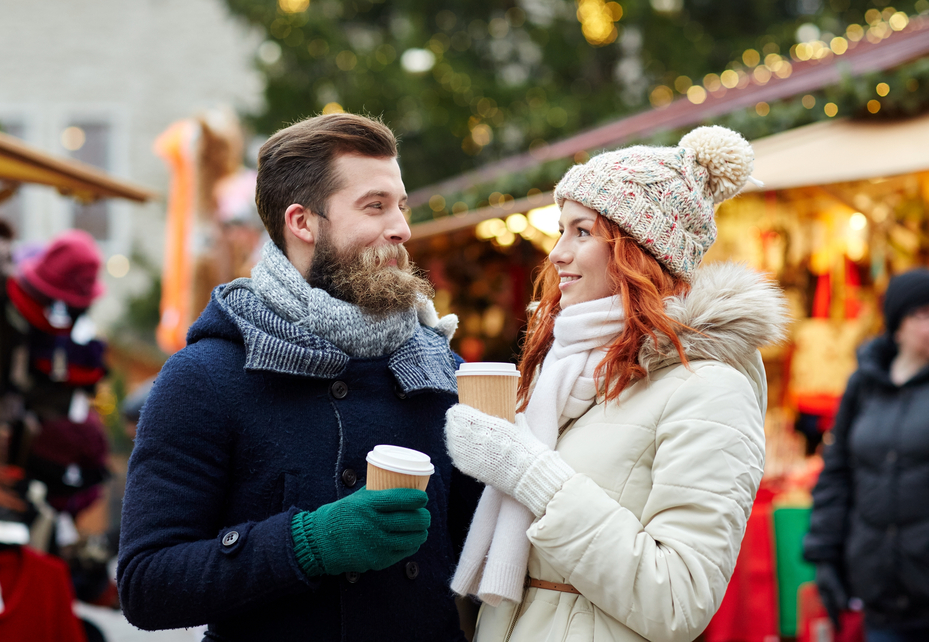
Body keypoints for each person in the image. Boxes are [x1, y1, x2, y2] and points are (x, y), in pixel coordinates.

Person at [117, 113, 482, 641]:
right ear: (302, 222)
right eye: (374, 206)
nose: (401, 228)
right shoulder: (206, 375)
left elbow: (486, 563)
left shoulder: (441, 370)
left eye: (400, 206)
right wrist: (311, 542)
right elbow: (147, 584)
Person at [444, 127, 789, 642]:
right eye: (561, 231)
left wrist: (531, 473)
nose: (557, 254)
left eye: (581, 232)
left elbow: (678, 601)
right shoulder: (565, 372)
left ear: (642, 249)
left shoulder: (711, 388)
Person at [804, 268, 929, 642]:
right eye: (920, 314)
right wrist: (825, 556)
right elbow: (836, 474)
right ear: (897, 323)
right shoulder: (864, 384)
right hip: (878, 586)